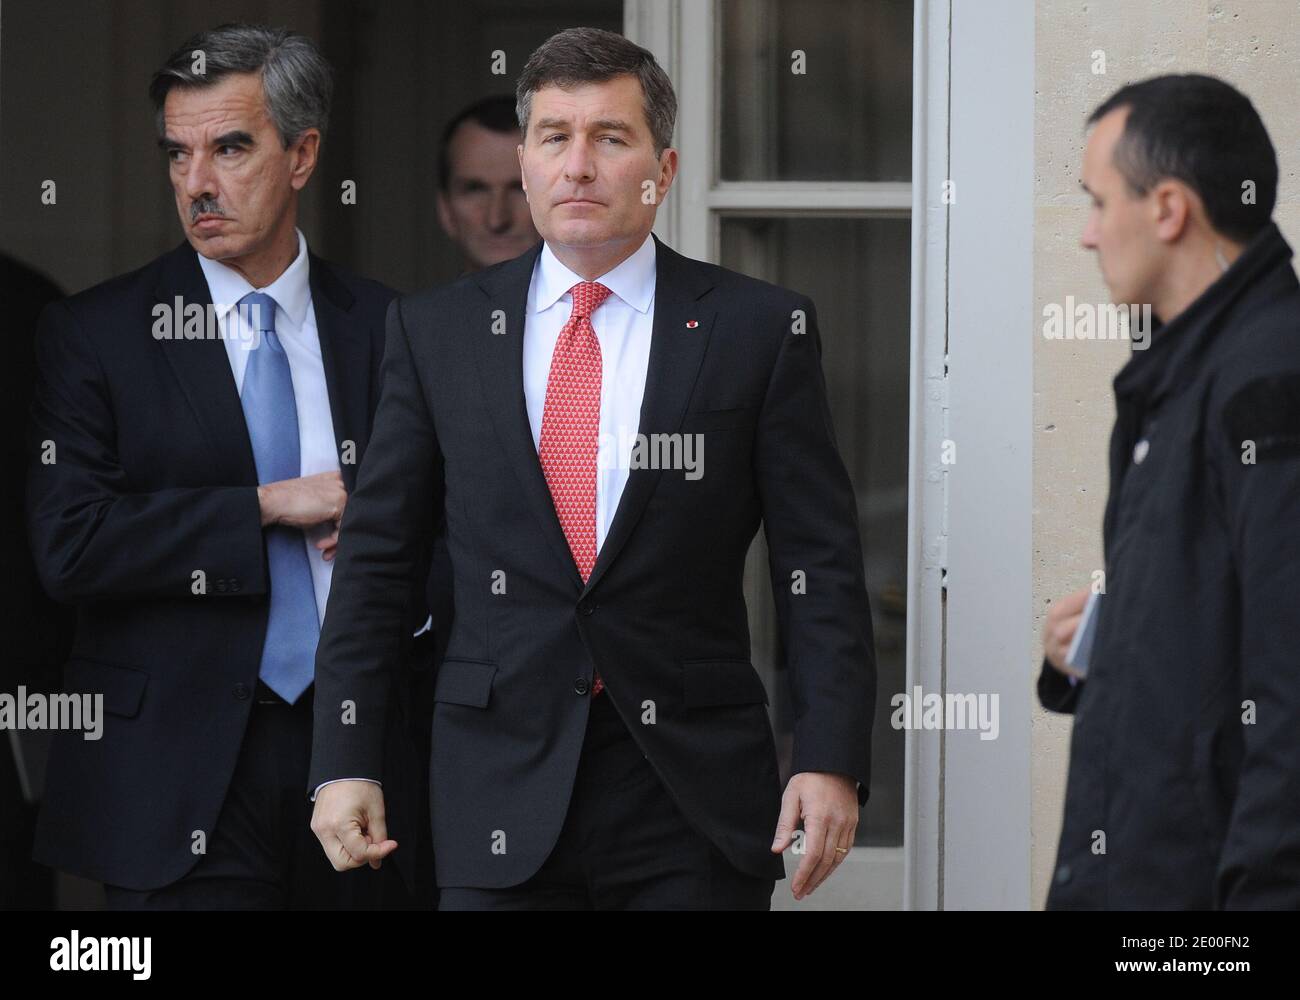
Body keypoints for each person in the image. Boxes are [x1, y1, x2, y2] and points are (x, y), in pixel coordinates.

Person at [309, 26, 876, 910]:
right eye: (553, 137)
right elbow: (378, 563)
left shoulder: (758, 330)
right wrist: (343, 759)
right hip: (494, 780)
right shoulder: (437, 333)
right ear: (528, 162)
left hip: (689, 788)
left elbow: (820, 565)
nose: (578, 166)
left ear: (665, 168)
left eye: (610, 138)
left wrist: (831, 755)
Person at [26, 23, 424, 909]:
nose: (197, 183)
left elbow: (467, 536)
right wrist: (269, 503)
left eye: (231, 148)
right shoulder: (97, 334)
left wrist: (395, 531)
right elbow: (70, 546)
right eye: (178, 154)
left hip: (358, 752)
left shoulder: (393, 329)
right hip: (174, 766)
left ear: (303, 155)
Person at [1039, 74, 1300, 909]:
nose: (1086, 236)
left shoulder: (1270, 379)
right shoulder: (1181, 374)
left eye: (1098, 201)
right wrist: (1099, 648)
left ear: (1169, 209)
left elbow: (1287, 687)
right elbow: (1220, 620)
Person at [436, 95, 539, 274]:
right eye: (475, 189)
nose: (497, 220)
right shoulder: (409, 304)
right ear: (445, 208)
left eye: (520, 189)